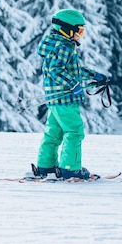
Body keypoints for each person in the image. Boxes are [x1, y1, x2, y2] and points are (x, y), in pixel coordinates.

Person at [32, 9, 108, 180]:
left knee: (54, 133)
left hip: (55, 98)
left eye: (82, 31)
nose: (80, 35)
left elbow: (72, 69)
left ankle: (46, 166)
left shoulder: (55, 43)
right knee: (74, 131)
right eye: (79, 31)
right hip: (65, 98)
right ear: (66, 29)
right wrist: (73, 85)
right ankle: (70, 168)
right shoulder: (65, 45)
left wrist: (94, 76)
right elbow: (56, 70)